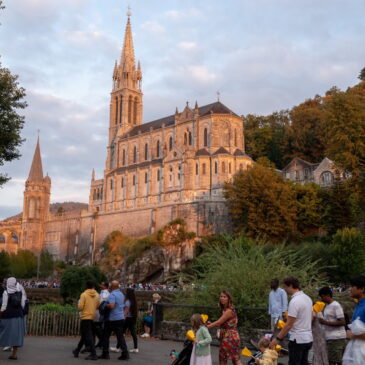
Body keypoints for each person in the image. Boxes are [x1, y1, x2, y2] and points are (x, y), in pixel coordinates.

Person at [270, 276, 313, 365]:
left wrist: (278, 339)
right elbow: (310, 317)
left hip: (297, 339)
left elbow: (289, 324)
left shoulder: (295, 301)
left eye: (285, 287)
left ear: (290, 285)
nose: (285, 289)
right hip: (308, 338)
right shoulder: (308, 298)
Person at [207, 290, 242, 365]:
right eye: (221, 296)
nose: (222, 298)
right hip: (231, 337)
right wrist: (211, 324)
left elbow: (219, 322)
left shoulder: (229, 310)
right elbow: (222, 322)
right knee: (235, 359)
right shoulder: (225, 309)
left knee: (224, 359)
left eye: (224, 297)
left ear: (229, 298)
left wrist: (206, 327)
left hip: (229, 337)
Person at [100, 280, 129, 360]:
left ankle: (105, 353)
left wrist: (105, 305)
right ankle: (125, 353)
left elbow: (112, 306)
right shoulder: (121, 294)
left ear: (112, 286)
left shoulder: (112, 294)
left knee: (106, 335)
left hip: (112, 318)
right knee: (120, 337)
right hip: (120, 317)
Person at [0, 277, 27, 360]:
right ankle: (14, 354)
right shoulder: (19, 292)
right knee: (16, 336)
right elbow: (23, 304)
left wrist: (1, 313)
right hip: (18, 316)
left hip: (7, 317)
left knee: (3, 333)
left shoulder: (6, 292)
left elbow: (4, 306)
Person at [318, 287, 346, 365]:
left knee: (333, 361)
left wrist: (325, 322)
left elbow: (342, 322)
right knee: (334, 359)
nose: (321, 299)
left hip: (336, 337)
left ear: (327, 295)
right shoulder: (327, 306)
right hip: (330, 337)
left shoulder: (336, 305)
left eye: (322, 296)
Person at [73, 280, 100, 360]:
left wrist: (78, 304)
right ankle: (77, 350)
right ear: (93, 286)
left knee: (88, 336)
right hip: (92, 316)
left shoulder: (84, 295)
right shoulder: (97, 295)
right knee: (85, 335)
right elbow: (98, 305)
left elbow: (80, 307)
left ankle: (93, 354)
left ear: (86, 286)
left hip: (85, 316)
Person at [342, 275, 365, 365]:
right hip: (355, 352)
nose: (350, 289)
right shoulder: (358, 305)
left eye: (352, 286)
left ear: (362, 289)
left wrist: (354, 335)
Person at [123, 288, 138, 353]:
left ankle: (118, 347)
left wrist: (123, 318)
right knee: (133, 333)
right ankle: (135, 347)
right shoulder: (134, 301)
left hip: (127, 319)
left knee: (121, 333)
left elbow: (126, 311)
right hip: (132, 318)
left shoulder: (127, 301)